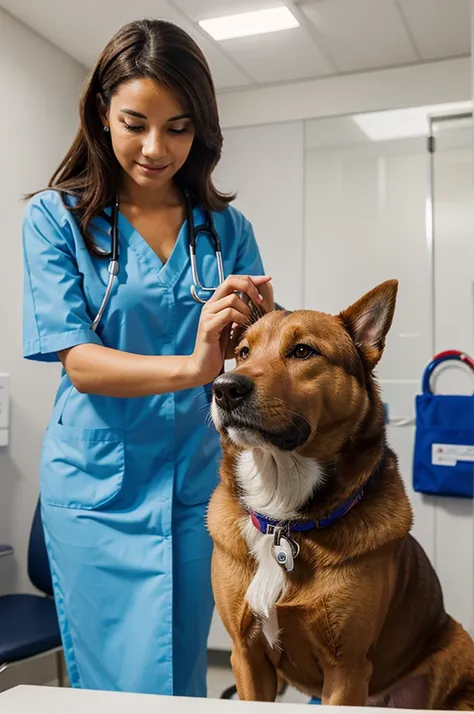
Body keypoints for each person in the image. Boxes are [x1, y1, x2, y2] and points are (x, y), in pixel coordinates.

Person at [21, 18, 273, 697]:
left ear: (202, 130)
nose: (157, 148)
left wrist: (257, 331)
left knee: (184, 666)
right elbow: (79, 361)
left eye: (180, 127)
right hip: (96, 490)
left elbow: (248, 358)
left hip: (198, 487)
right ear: (101, 113)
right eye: (136, 122)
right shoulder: (55, 219)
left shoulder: (225, 231)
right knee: (113, 685)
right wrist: (195, 367)